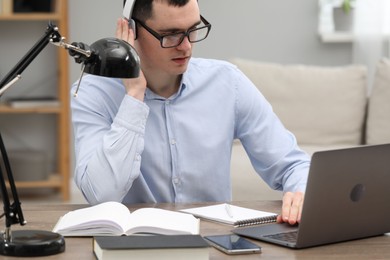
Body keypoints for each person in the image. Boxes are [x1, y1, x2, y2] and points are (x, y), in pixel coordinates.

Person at [71, 0, 310, 225]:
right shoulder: (94, 93)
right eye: (171, 34)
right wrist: (134, 96)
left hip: (214, 242)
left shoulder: (229, 83)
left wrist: (301, 192)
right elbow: (100, 196)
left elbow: (291, 165)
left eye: (193, 29)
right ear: (131, 31)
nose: (186, 46)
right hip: (134, 245)